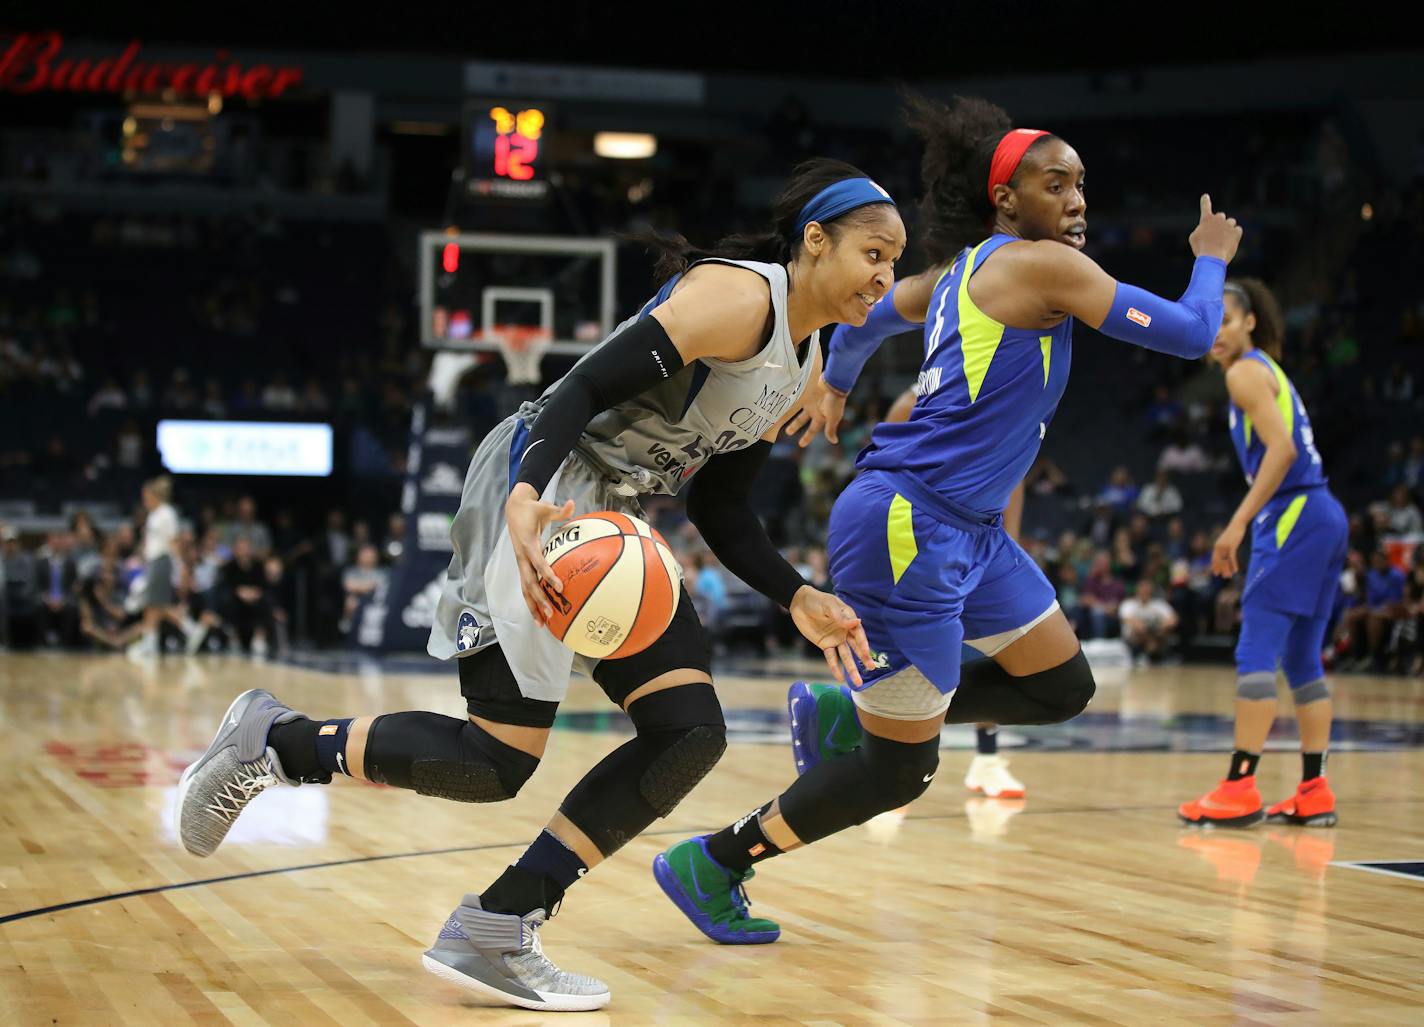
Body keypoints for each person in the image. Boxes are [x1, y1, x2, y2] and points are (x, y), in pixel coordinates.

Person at [176, 158, 899, 1011]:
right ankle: (280, 739)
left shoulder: (801, 360)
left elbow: (723, 502)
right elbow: (584, 382)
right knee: (493, 761)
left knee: (688, 731)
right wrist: (524, 496)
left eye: (895, 263)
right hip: (544, 484)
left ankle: (500, 922)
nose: (883, 277)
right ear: (815, 242)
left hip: (614, 522)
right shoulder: (740, 298)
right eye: (872, 254)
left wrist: (797, 594)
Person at [654, 92, 1240, 944]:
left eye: (1082, 183)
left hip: (969, 530)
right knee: (898, 772)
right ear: (1007, 199)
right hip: (910, 523)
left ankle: (848, 713)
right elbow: (1192, 333)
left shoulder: (954, 275)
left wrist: (837, 383)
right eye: (1055, 182)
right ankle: (717, 860)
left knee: (1061, 685)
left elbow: (859, 328)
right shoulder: (1043, 267)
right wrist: (1212, 256)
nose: (1076, 199)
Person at [1178, 277, 1347, 828]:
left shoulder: (1246, 373)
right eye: (1210, 324)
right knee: (1302, 660)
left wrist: (1236, 525)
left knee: (1256, 654)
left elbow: (1283, 450)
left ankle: (1240, 785)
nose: (1217, 333)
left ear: (1249, 321)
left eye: (1226, 320)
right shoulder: (1268, 371)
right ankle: (1314, 788)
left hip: (1294, 512)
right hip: (1324, 513)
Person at [128, 477, 178, 658]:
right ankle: (152, 643)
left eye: (146, 495)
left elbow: (172, 541)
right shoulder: (154, 514)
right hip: (152, 561)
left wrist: (179, 565)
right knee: (154, 603)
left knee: (152, 603)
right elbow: (149, 542)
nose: (144, 499)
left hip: (162, 560)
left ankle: (150, 644)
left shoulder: (167, 513)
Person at [1119, 578, 1179, 665]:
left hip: (1156, 635)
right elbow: (1128, 620)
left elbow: (1173, 619)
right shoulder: (1128, 604)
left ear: (1152, 591)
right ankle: (1143, 654)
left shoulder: (1159, 604)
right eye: (1142, 589)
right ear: (1137, 590)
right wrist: (1146, 631)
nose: (1145, 591)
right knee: (1138, 628)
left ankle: (1154, 654)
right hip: (1135, 639)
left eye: (1147, 589)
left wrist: (1161, 627)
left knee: (1166, 628)